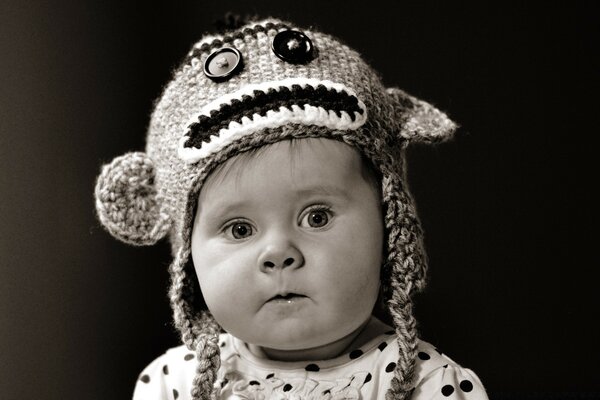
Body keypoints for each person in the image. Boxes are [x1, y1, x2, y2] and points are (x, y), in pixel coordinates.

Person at [94, 17, 489, 400]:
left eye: (316, 217)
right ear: (188, 255)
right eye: (239, 229)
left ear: (389, 224)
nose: (279, 253)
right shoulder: (170, 385)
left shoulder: (430, 385)